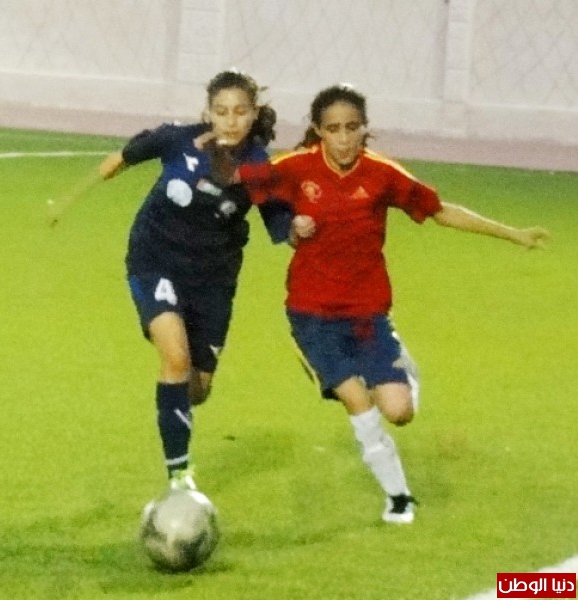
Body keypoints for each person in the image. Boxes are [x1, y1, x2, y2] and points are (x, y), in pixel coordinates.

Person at [237, 84, 550, 524]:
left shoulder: (382, 174)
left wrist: (513, 234)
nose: (343, 138)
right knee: (359, 405)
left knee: (399, 412)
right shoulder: (295, 167)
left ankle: (399, 367)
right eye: (333, 129)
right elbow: (245, 185)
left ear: (364, 128)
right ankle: (399, 499)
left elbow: (439, 210)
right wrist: (287, 224)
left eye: (352, 128)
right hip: (312, 315)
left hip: (367, 315)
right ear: (319, 131)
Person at [99, 70, 291, 493]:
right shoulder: (180, 140)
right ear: (208, 113)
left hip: (213, 279)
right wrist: (117, 161)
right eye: (221, 111)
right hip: (154, 259)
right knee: (175, 359)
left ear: (253, 114)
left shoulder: (258, 166)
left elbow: (280, 223)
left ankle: (171, 406)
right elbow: (141, 146)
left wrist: (305, 228)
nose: (230, 120)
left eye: (240, 112)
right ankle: (179, 476)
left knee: (197, 389)